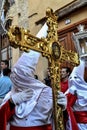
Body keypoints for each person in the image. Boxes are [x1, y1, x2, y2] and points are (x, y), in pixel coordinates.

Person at [0, 23, 67, 130]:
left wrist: (64, 109)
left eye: (21, 76)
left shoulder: (47, 93)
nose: (17, 79)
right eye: (15, 76)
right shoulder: (11, 95)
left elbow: (59, 121)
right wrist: (12, 102)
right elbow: (1, 119)